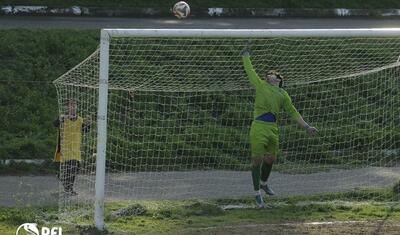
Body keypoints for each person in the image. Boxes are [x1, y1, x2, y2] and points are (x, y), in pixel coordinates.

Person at [242, 46, 317, 208]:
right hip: (259, 127)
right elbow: (250, 71)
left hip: (272, 129)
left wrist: (306, 126)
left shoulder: (283, 94)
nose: (269, 75)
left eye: (272, 74)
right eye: (268, 74)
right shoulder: (261, 85)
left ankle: (264, 182)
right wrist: (246, 56)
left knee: (271, 159)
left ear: (278, 79)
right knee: (257, 160)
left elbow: (293, 112)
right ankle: (257, 195)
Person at [54, 99, 91, 195]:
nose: (73, 106)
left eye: (74, 104)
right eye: (71, 105)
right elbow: (54, 124)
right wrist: (59, 119)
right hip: (65, 149)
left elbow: (86, 130)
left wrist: (88, 124)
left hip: (75, 149)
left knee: (75, 169)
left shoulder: (80, 119)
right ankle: (68, 189)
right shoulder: (63, 118)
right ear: (68, 107)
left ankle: (68, 187)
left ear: (77, 107)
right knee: (68, 170)